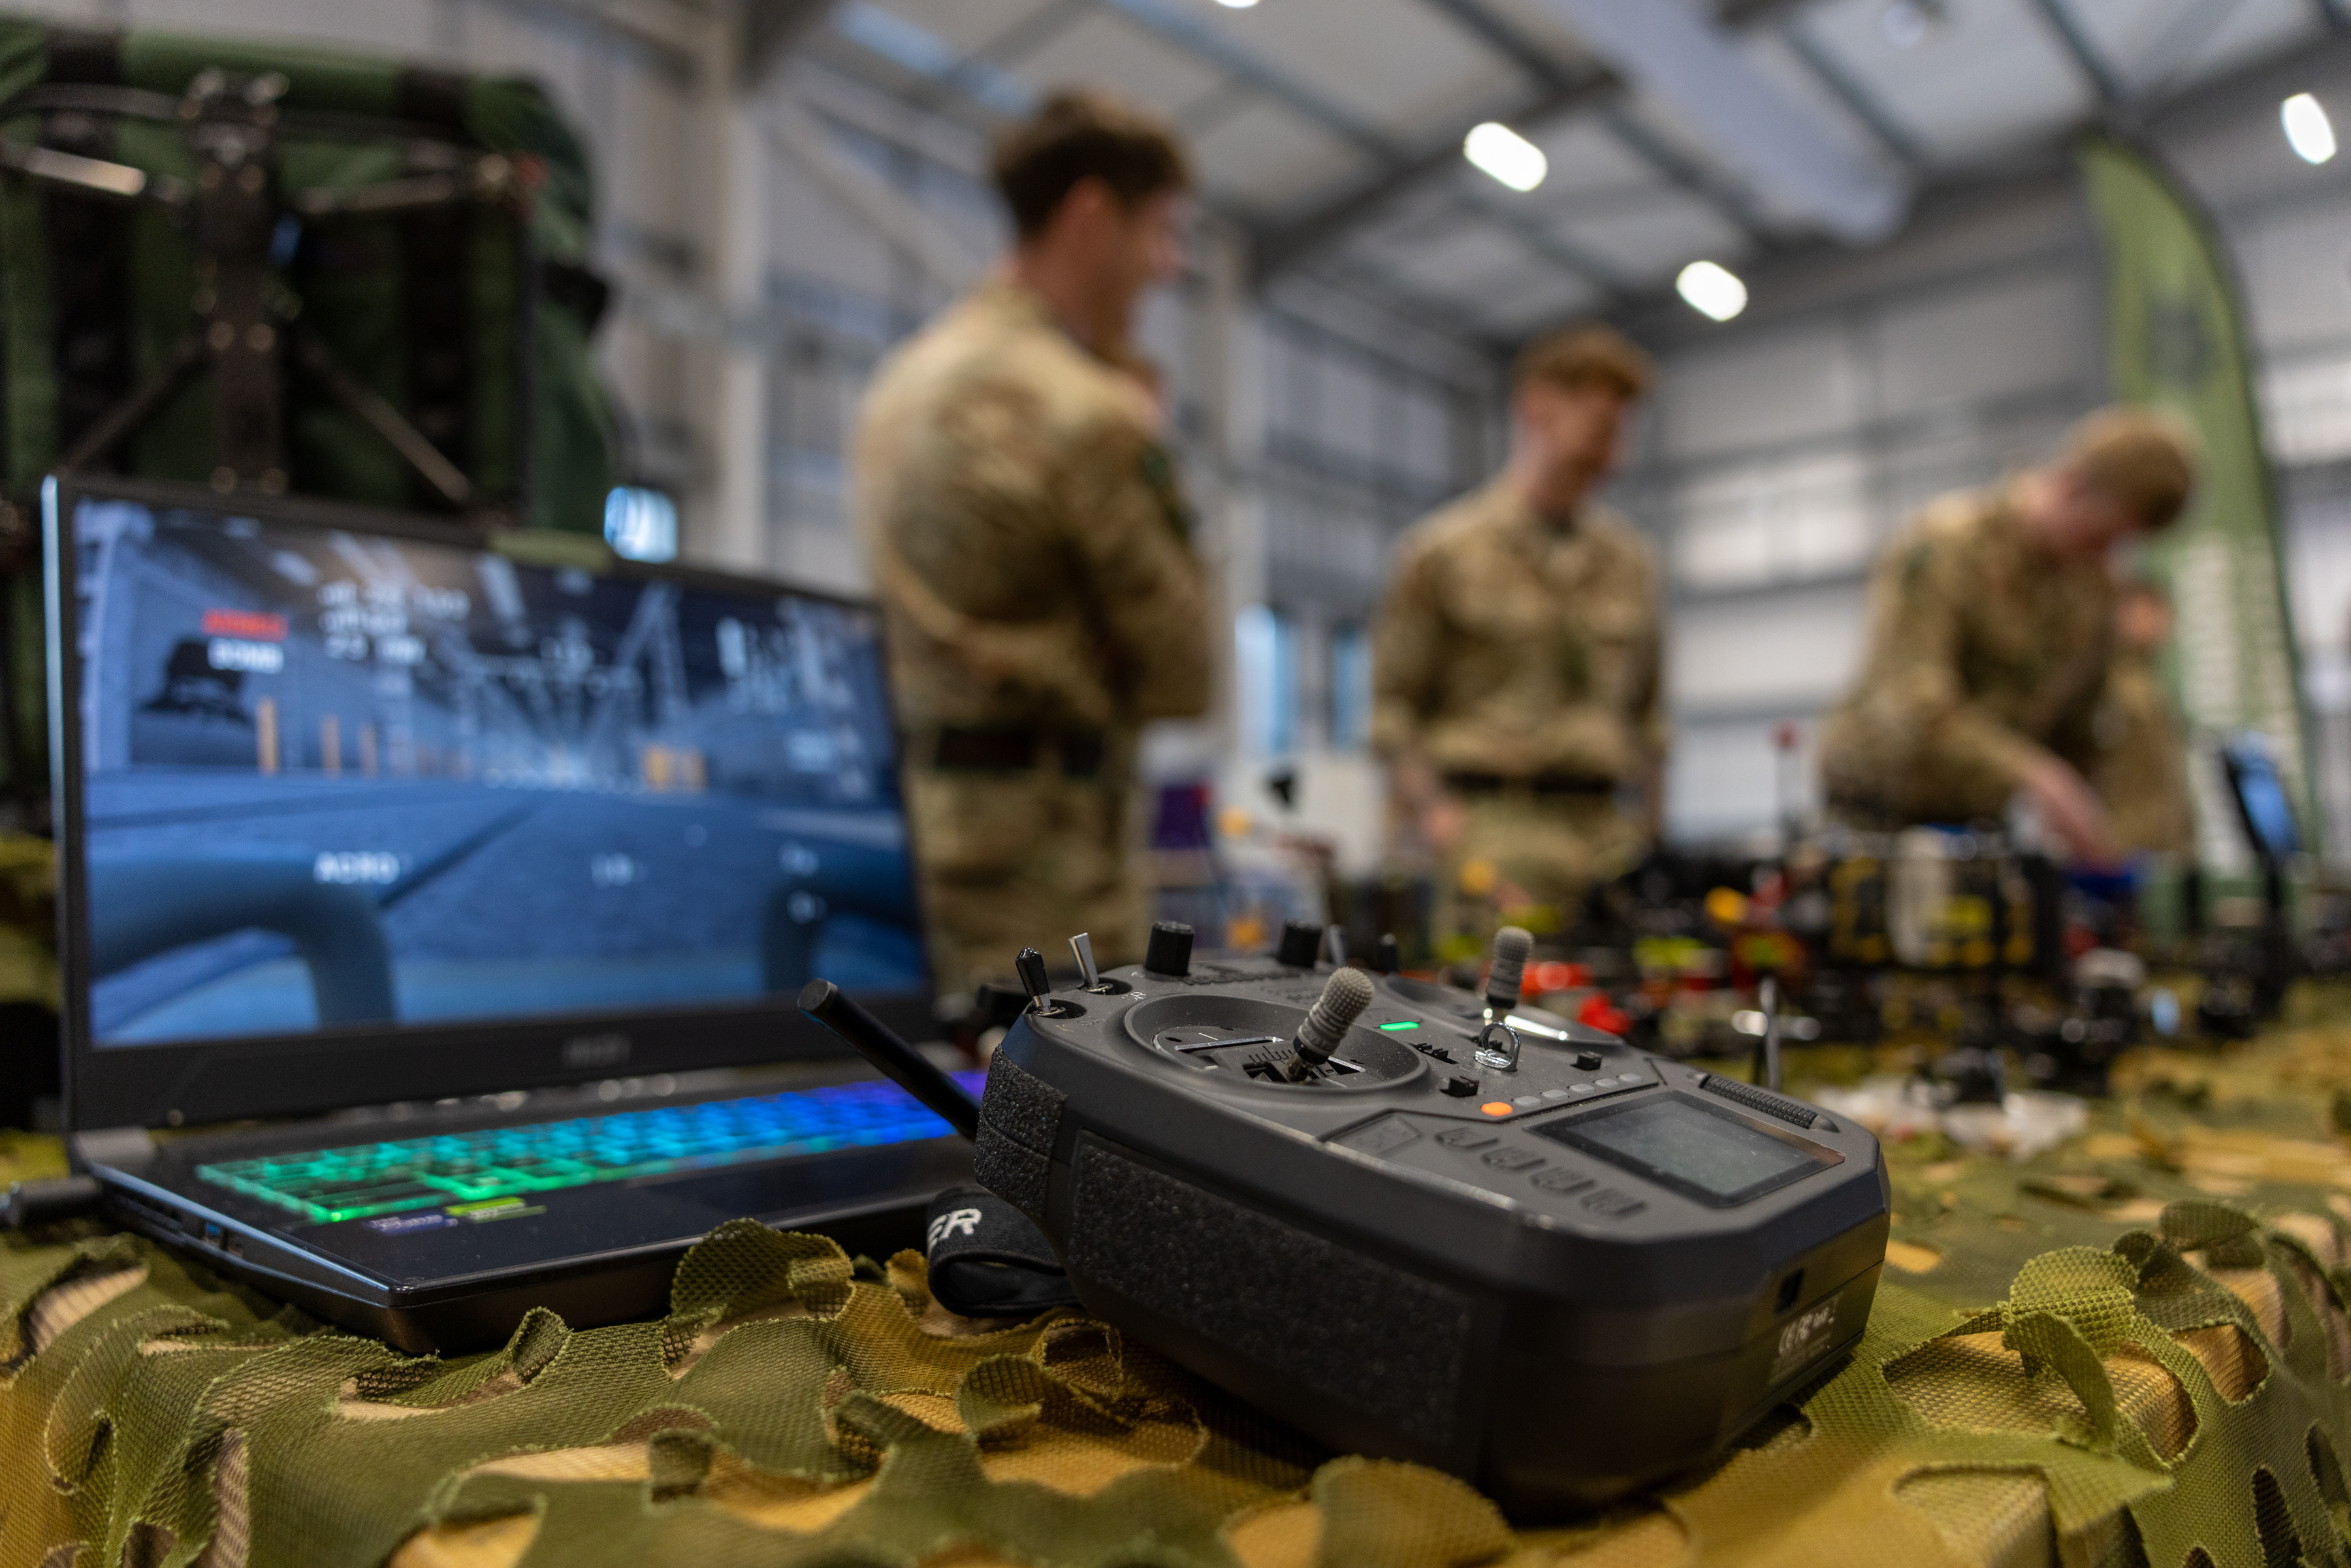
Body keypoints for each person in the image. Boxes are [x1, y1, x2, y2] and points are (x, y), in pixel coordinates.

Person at [852, 90, 1211, 998]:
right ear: (1092, 216)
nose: (1169, 266)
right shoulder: (1085, 412)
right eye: (1160, 232)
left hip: (926, 859)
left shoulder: (901, 382)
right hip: (1053, 894)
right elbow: (1184, 672)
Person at [1371, 325, 1662, 961]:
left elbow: (1650, 716)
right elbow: (1393, 711)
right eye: (1600, 427)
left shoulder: (1630, 562)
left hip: (1607, 839)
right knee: (1495, 1037)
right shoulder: (1443, 553)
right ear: (1539, 407)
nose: (1614, 454)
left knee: (1619, 1031)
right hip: (1493, 830)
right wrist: (1439, 820)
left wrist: (1648, 834)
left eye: (1621, 432)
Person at [1818, 407, 2198, 865]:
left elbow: (2079, 723)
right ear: (2072, 484)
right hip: (1878, 814)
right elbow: (1910, 699)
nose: (2105, 554)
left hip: (1980, 822)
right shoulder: (1945, 548)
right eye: (2099, 535)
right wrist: (2035, 777)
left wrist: (2101, 822)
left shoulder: (2091, 586)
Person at [2090, 577, 2198, 858]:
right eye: (2147, 610)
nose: (2160, 621)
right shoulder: (2105, 683)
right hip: (2125, 847)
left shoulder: (2148, 682)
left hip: (2168, 845)